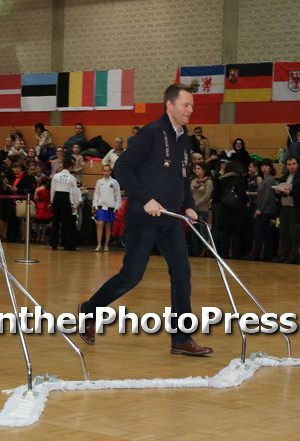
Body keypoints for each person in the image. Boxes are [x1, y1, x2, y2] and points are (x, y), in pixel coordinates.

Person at [78, 83, 212, 356]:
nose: (190, 110)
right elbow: (123, 168)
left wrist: (188, 206)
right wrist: (146, 199)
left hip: (170, 220)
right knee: (131, 276)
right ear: (170, 105)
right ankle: (89, 310)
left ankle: (181, 338)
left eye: (192, 106)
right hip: (144, 218)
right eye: (186, 105)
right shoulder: (151, 133)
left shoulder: (185, 139)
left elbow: (182, 179)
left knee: (182, 275)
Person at [274, 156, 300, 264]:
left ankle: (293, 256)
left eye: (293, 164)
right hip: (284, 207)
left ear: (297, 165)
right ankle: (285, 254)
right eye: (289, 164)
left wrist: (291, 192)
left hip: (295, 208)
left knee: (294, 233)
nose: (291, 166)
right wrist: (277, 192)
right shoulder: (284, 176)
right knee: (283, 232)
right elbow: (278, 192)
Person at [50, 157, 79, 251]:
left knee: (55, 221)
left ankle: (54, 244)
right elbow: (74, 192)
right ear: (70, 167)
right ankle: (67, 245)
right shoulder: (72, 178)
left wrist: (52, 202)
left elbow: (52, 189)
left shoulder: (56, 176)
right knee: (67, 222)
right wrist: (74, 204)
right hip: (66, 198)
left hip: (57, 197)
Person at [92, 164, 122, 251]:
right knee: (100, 224)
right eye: (104, 171)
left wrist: (117, 206)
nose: (106, 173)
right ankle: (98, 245)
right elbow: (96, 194)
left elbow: (118, 195)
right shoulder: (99, 182)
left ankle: (106, 245)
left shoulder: (114, 182)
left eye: (108, 171)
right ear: (102, 171)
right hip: (101, 207)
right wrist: (95, 204)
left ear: (110, 172)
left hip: (110, 207)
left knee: (108, 226)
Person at [252, 159, 277, 261]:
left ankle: (257, 254)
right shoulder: (265, 179)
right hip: (265, 210)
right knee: (266, 233)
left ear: (270, 168)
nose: (264, 168)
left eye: (266, 166)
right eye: (262, 166)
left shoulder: (270, 179)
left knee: (259, 232)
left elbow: (267, 196)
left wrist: (260, 209)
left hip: (266, 211)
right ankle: (266, 254)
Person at [189, 162, 213, 256]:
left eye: (198, 168)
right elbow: (190, 193)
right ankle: (195, 250)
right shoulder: (193, 181)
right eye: (195, 168)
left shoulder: (208, 182)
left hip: (203, 209)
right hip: (193, 209)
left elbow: (207, 196)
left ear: (204, 170)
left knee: (203, 231)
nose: (196, 170)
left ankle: (204, 250)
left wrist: (196, 204)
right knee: (194, 230)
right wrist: (191, 205)